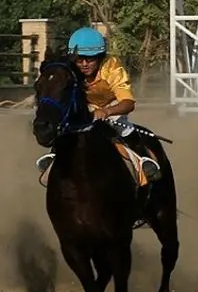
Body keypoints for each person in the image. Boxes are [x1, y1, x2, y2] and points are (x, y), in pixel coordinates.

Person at [35, 26, 162, 183]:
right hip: (85, 106)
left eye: (90, 58)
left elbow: (128, 103)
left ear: (100, 57)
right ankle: (54, 154)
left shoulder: (112, 68)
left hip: (112, 105)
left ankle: (143, 159)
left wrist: (106, 112)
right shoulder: (71, 69)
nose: (84, 64)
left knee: (121, 126)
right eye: (79, 59)